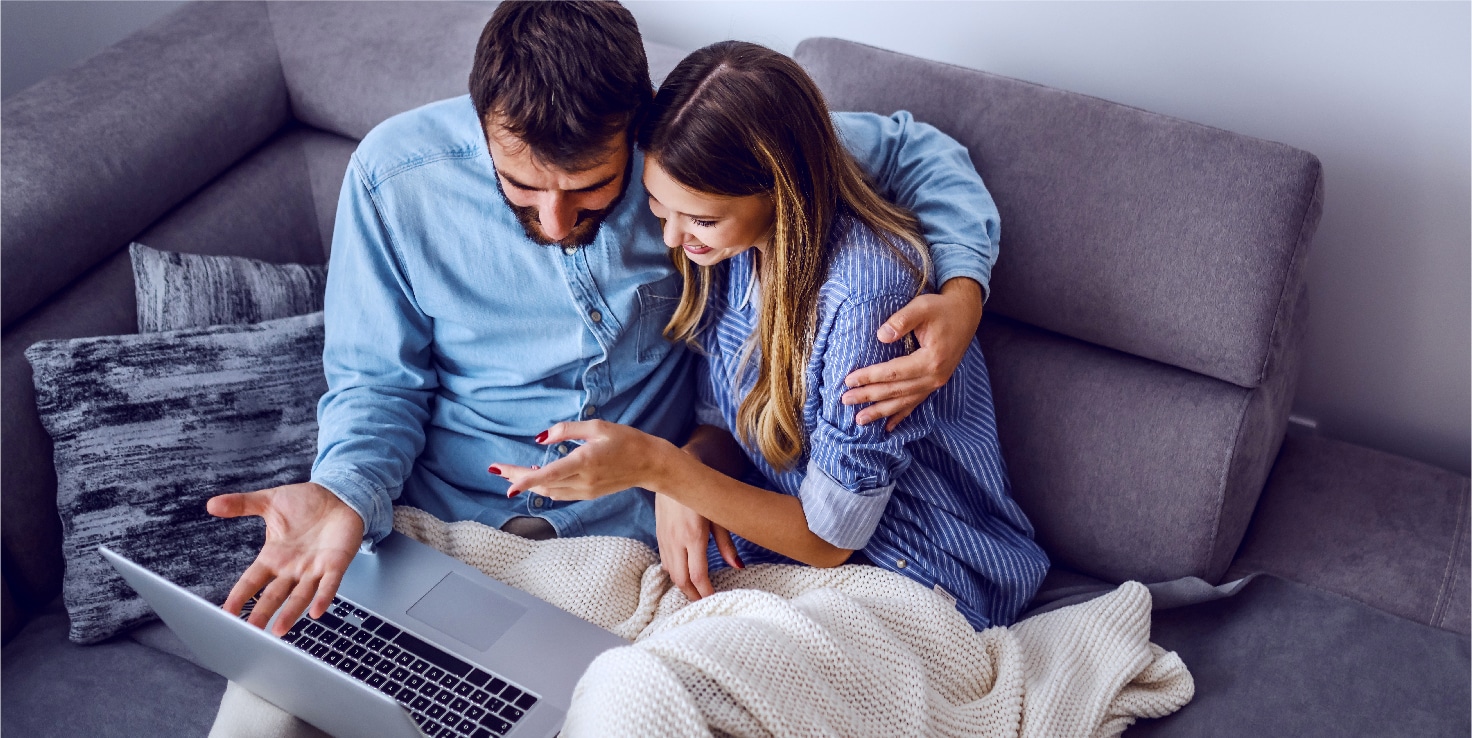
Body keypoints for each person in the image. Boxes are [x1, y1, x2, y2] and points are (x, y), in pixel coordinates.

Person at [209, 1, 1006, 636]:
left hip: (612, 539)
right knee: (279, 695)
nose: (556, 222)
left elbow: (912, 152)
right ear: (482, 121)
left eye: (591, 190)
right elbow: (377, 384)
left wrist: (964, 292)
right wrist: (342, 490)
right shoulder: (393, 176)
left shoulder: (692, 175)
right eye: (521, 188)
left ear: (638, 129)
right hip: (439, 516)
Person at [493, 40, 1048, 629]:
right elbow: (722, 427)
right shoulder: (729, 256)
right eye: (659, 210)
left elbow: (832, 539)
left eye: (701, 219)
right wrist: (688, 473)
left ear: (782, 193)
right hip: (792, 554)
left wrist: (663, 471)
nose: (675, 239)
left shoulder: (868, 299)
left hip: (921, 572)